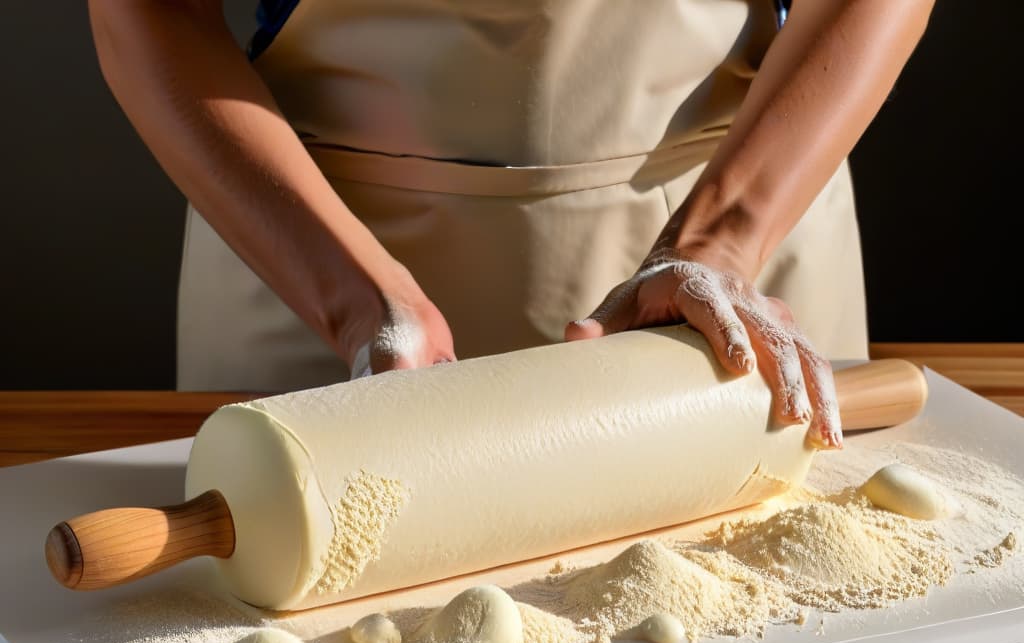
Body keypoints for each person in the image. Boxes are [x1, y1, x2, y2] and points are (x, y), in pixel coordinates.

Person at [88, 0, 934, 449]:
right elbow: (152, 8)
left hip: (733, 247)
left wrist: (720, 241)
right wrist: (353, 298)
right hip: (308, 252)